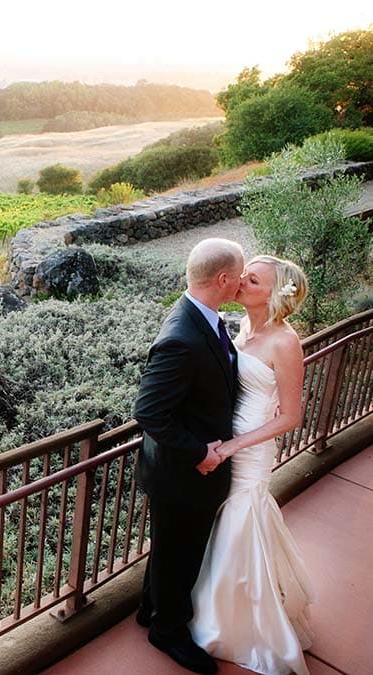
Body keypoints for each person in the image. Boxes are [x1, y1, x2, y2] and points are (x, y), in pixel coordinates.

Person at [189, 255, 314, 675]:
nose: (241, 281)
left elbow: (290, 416)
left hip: (251, 447)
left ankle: (239, 625)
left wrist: (232, 446)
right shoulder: (243, 327)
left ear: (275, 294)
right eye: (243, 275)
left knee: (241, 523)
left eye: (253, 279)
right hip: (227, 440)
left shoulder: (286, 342)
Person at [133, 237, 245, 674]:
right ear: (222, 279)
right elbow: (147, 411)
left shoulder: (205, 319)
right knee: (182, 553)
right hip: (185, 472)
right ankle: (169, 631)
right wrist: (200, 451)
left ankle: (149, 610)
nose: (240, 283)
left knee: (170, 548)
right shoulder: (182, 337)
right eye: (238, 276)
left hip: (183, 469)